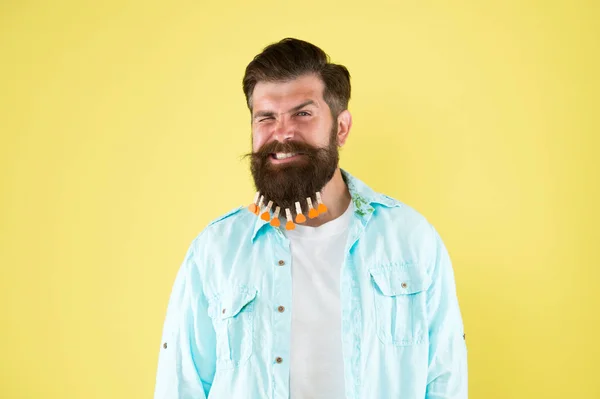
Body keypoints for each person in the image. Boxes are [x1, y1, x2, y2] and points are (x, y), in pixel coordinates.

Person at [153, 38, 468, 399]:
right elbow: (181, 387)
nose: (282, 132)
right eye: (266, 117)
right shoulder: (214, 252)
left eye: (303, 114)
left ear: (342, 128)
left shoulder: (411, 240)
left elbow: (445, 380)